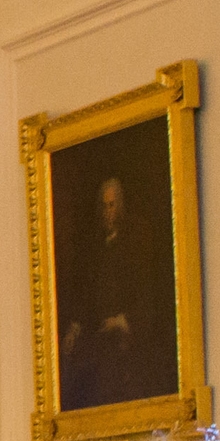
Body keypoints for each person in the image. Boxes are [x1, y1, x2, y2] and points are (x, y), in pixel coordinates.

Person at [59, 162, 173, 409]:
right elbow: (87, 293)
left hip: (131, 336)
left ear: (120, 206)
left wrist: (122, 320)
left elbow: (146, 293)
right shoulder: (95, 246)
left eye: (111, 206)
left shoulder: (138, 239)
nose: (107, 212)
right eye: (103, 206)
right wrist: (75, 329)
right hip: (101, 336)